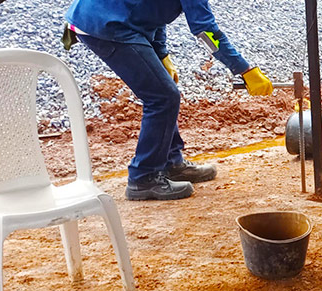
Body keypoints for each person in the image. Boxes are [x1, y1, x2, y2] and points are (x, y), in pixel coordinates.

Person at [63, 0, 273, 200]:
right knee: (162, 97)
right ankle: (143, 177)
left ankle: (170, 162)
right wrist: (243, 69)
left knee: (163, 93)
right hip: (107, 25)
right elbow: (205, 32)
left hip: (108, 16)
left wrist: (161, 53)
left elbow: (155, 12)